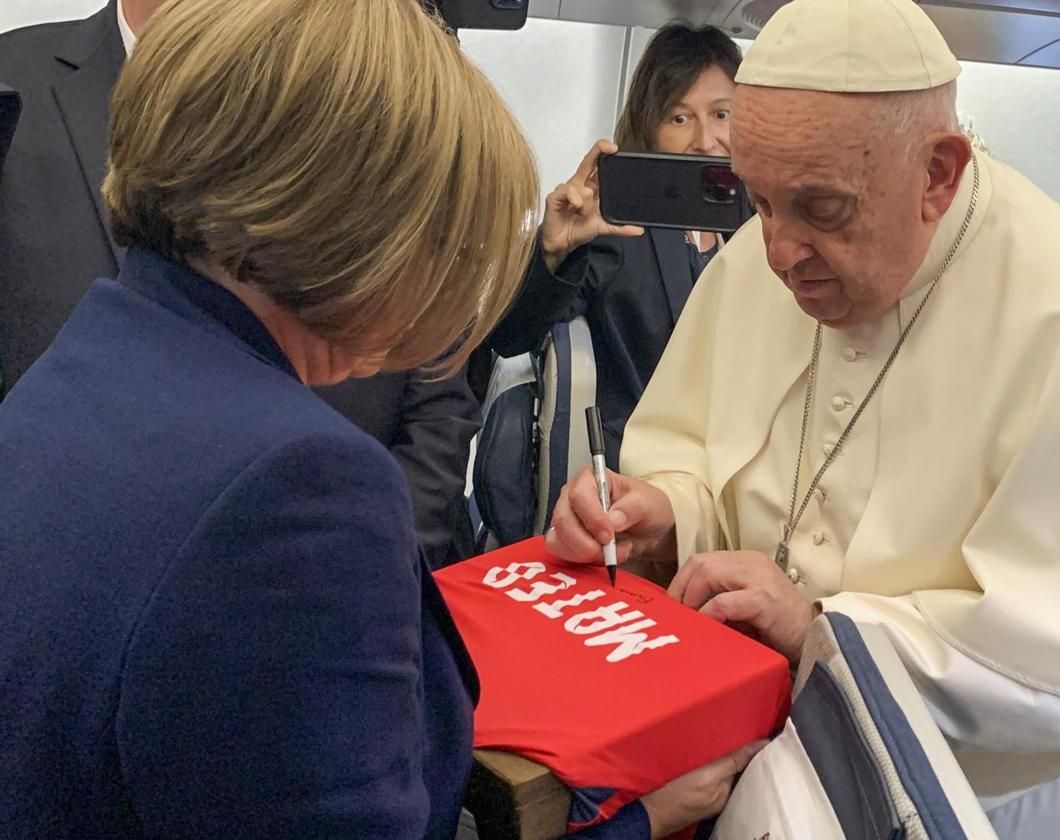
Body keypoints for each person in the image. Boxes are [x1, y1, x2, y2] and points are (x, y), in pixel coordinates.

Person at [0, 0, 756, 836]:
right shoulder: (299, 489)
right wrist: (637, 821)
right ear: (359, 222)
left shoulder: (93, 356)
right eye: (448, 238)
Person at [546, 0, 1060, 836]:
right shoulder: (761, 255)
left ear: (938, 172)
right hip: (773, 766)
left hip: (1009, 803)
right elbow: (704, 452)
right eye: (759, 200)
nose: (778, 252)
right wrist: (666, 508)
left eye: (822, 209)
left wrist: (824, 627)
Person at [0, 0, 480, 569]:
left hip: (337, 551)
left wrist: (369, 553)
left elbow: (438, 380)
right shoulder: (15, 79)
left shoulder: (369, 82)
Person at [485, 24, 742, 466]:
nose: (705, 140)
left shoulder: (768, 225)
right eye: (679, 118)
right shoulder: (616, 231)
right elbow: (510, 337)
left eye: (722, 114)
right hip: (644, 471)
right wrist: (553, 250)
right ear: (650, 126)